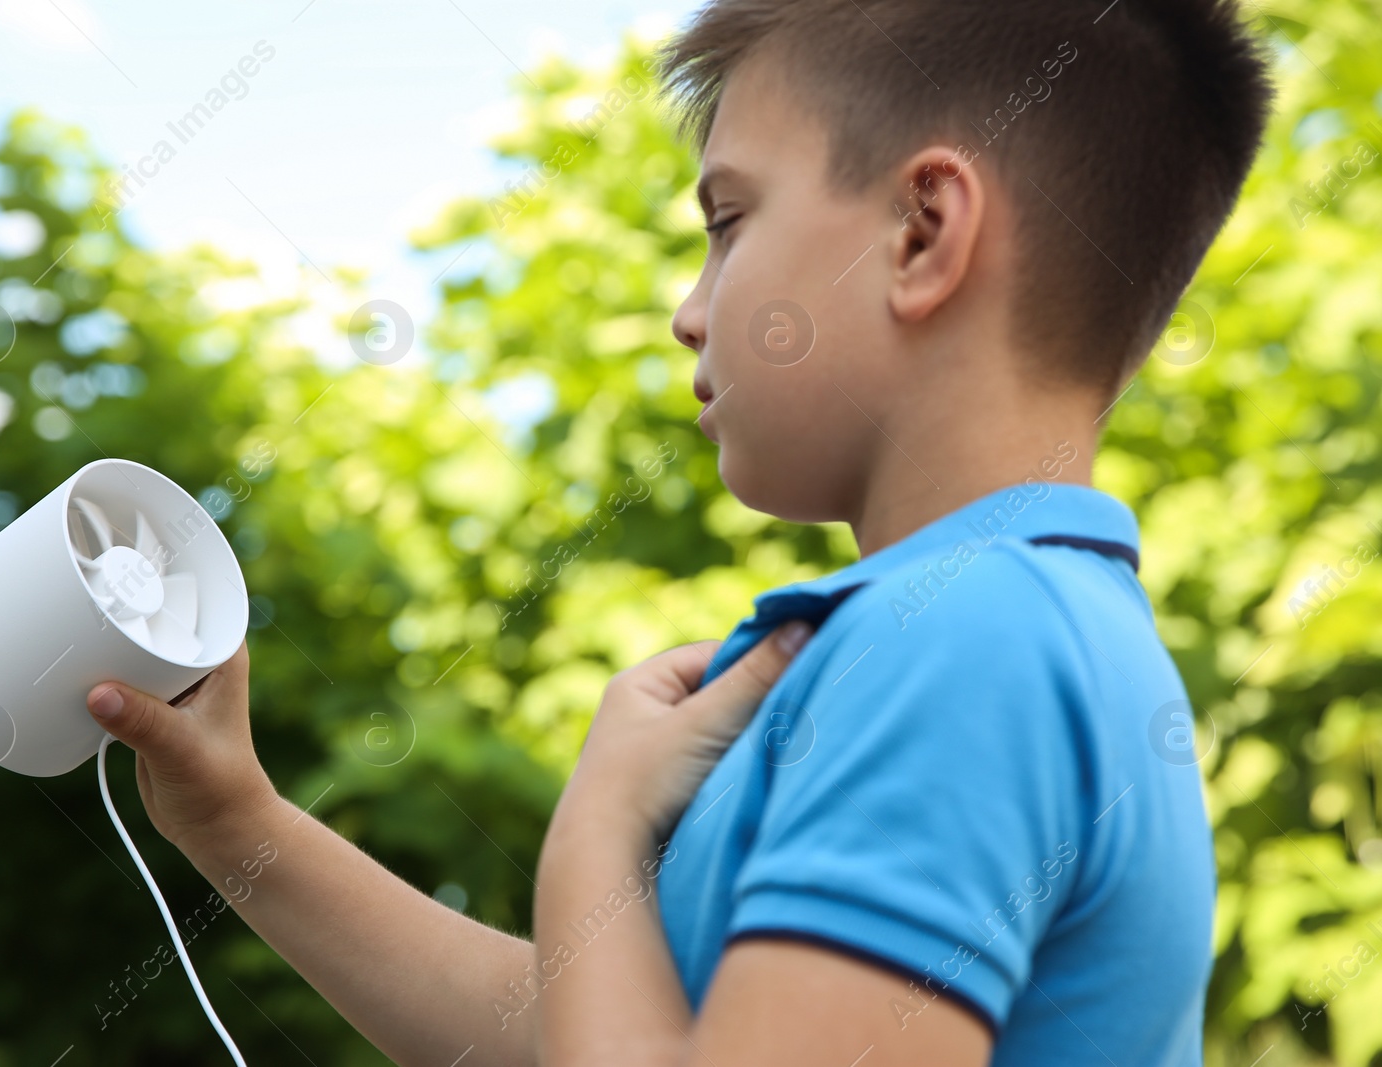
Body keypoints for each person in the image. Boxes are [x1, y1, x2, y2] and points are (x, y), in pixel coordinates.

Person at [85, 0, 1273, 1062]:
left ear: (920, 232)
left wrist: (596, 830)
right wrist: (234, 818)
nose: (686, 312)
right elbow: (582, 1037)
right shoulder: (994, 630)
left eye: (727, 219)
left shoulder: (971, 642)